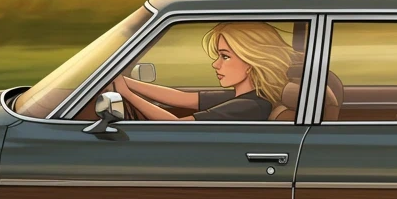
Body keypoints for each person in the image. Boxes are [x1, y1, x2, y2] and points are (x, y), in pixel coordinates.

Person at [112, 20, 296, 121]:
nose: (215, 64)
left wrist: (126, 93)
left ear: (250, 62)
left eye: (225, 56)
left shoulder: (249, 106)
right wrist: (124, 81)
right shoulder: (245, 97)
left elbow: (176, 127)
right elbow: (181, 98)